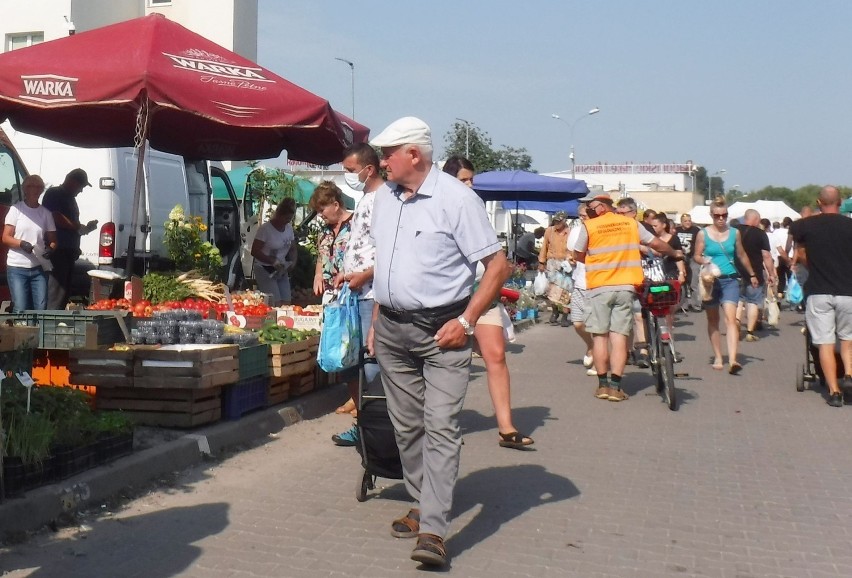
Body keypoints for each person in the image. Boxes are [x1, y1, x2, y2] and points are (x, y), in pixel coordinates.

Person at [367, 117, 509, 567]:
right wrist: (376, 320)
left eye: (388, 152)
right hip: (391, 329)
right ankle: (422, 498)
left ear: (415, 155)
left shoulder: (456, 199)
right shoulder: (384, 199)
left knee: (442, 424)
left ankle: (433, 529)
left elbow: (497, 265)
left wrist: (466, 322)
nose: (380, 160)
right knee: (407, 426)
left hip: (442, 332)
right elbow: (385, 269)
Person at [443, 155, 533, 450]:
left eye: (472, 179)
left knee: (496, 355)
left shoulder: (477, 208)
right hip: (450, 298)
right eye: (463, 179)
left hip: (483, 295)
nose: (469, 184)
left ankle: (506, 427)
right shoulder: (440, 207)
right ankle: (442, 426)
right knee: (446, 364)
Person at [573, 194, 677, 402]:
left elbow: (577, 254)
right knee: (619, 336)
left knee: (600, 336)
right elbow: (656, 243)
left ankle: (602, 386)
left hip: (599, 286)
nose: (589, 210)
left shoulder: (590, 227)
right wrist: (674, 253)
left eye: (592, 206)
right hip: (626, 285)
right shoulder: (631, 224)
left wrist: (593, 258)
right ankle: (616, 386)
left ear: (602, 207)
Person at [330, 142, 389, 445]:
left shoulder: (385, 200)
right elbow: (362, 247)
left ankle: (375, 427)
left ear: (369, 169)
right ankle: (364, 423)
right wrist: (346, 272)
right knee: (352, 363)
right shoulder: (366, 198)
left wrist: (365, 275)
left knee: (371, 364)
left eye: (351, 171)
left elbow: (389, 253)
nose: (348, 176)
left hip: (371, 296)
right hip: (355, 291)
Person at [788, 186, 852, 407]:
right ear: (841, 202)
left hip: (819, 291)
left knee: (824, 342)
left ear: (818, 202)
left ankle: (834, 391)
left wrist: (813, 264)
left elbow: (801, 252)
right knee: (847, 340)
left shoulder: (804, 226)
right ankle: (850, 375)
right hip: (848, 292)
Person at [692, 199, 760, 374]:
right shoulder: (703, 234)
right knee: (713, 319)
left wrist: (752, 274)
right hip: (710, 280)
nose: (721, 219)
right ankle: (718, 356)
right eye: (717, 216)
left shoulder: (734, 233)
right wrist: (704, 260)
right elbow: (696, 256)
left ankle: (733, 359)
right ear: (711, 215)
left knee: (731, 319)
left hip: (730, 279)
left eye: (724, 215)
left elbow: (741, 254)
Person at [41, 168, 97, 309]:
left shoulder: (70, 198)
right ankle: (49, 321)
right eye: (81, 186)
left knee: (63, 291)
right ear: (72, 182)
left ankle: (56, 318)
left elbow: (71, 223)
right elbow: (55, 216)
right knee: (56, 290)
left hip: (68, 251)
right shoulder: (55, 193)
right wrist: (76, 227)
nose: (81, 191)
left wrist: (85, 228)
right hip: (58, 250)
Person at [2, 175, 58, 312]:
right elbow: (6, 237)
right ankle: (20, 333)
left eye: (38, 187)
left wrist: (50, 249)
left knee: (40, 307)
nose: (35, 190)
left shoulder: (46, 214)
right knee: (21, 307)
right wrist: (21, 244)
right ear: (25, 189)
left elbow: (54, 241)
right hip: (17, 267)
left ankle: (37, 332)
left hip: (38, 267)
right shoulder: (16, 210)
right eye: (31, 186)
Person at [615, 197, 650, 368]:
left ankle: (643, 351)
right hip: (620, 277)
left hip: (639, 276)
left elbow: (652, 249)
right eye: (618, 212)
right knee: (625, 317)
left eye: (623, 213)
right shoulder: (615, 229)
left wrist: (639, 247)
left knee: (638, 314)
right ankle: (628, 351)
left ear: (633, 213)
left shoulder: (639, 227)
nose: (620, 216)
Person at [736, 209, 776, 341]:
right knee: (752, 301)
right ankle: (749, 332)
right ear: (756, 219)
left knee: (738, 301)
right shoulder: (760, 234)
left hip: (735, 271)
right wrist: (771, 273)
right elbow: (766, 255)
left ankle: (735, 326)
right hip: (755, 273)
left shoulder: (734, 231)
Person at [250, 198, 297, 306]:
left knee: (286, 301)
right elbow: (255, 251)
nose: (287, 221)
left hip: (280, 269)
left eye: (289, 219)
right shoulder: (265, 229)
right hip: (264, 268)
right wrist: (271, 260)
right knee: (275, 302)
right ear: (279, 215)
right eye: (285, 218)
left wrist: (293, 262)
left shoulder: (288, 229)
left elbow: (293, 248)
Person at [565, 203, 595, 376]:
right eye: (582, 216)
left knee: (598, 326)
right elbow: (571, 252)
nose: (584, 219)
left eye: (586, 215)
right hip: (579, 281)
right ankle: (590, 345)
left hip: (597, 283)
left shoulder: (598, 229)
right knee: (577, 323)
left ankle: (598, 363)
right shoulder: (576, 231)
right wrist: (571, 259)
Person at [309, 181, 353, 298]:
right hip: (329, 295)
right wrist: (318, 275)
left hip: (350, 292)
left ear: (336, 205)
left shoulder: (356, 224)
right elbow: (321, 256)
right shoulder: (324, 230)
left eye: (322, 210)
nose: (319, 215)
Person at [649, 213, 686, 335]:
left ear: (663, 225)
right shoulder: (650, 239)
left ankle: (668, 331)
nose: (653, 228)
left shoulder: (674, 239)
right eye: (652, 225)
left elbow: (678, 257)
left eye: (655, 225)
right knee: (653, 302)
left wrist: (681, 272)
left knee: (669, 305)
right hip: (654, 274)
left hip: (669, 272)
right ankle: (655, 329)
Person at [537, 210, 571, 324]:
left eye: (559, 221)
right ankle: (555, 311)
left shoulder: (570, 232)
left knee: (566, 290)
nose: (556, 224)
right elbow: (544, 247)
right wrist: (541, 262)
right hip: (552, 262)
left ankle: (565, 316)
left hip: (566, 263)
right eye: (555, 221)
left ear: (564, 221)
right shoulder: (549, 231)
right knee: (551, 290)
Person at [675, 213, 702, 312]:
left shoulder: (696, 230)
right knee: (683, 282)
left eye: (689, 220)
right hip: (681, 258)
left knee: (693, 281)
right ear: (681, 222)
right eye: (685, 221)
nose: (688, 222)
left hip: (692, 258)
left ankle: (696, 304)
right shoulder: (677, 231)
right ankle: (684, 304)